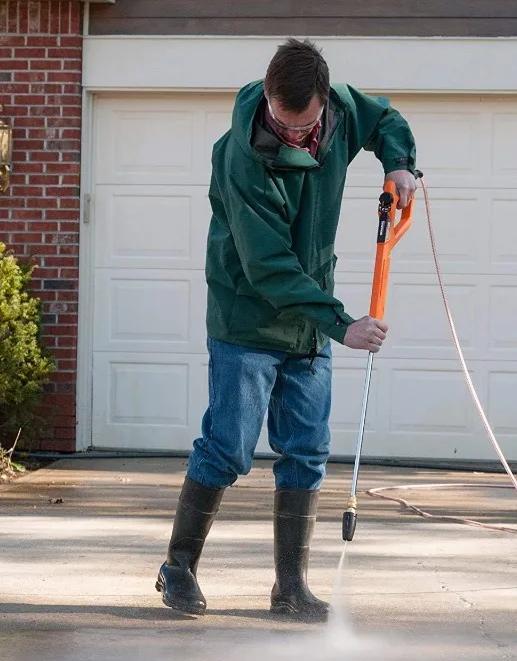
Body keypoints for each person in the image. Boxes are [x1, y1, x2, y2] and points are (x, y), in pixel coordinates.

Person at [155, 38, 417, 622]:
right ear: (268, 97)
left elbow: (388, 118)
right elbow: (268, 266)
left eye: (306, 125)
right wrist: (342, 325)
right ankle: (177, 567)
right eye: (283, 121)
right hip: (249, 316)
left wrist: (397, 161)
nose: (295, 134)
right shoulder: (242, 158)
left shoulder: (341, 111)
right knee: (227, 448)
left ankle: (290, 589)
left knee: (306, 452)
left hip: (308, 324)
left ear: (324, 103)